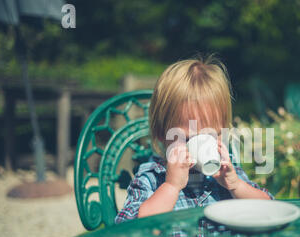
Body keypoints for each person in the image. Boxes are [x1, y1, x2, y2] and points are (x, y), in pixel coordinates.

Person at [115, 54, 273, 224]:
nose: (204, 147)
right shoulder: (152, 178)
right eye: (189, 138)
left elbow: (269, 209)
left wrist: (236, 186)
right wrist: (171, 187)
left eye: (212, 135)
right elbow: (130, 229)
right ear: (162, 133)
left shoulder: (227, 172)